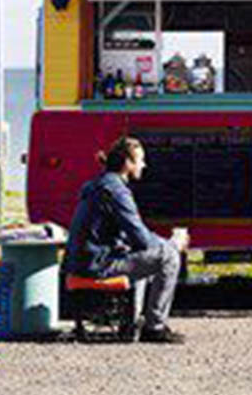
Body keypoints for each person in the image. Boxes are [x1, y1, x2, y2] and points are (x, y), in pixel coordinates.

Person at [65, 134, 189, 343]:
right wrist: (173, 244)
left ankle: (132, 322)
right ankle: (155, 327)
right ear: (127, 163)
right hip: (98, 265)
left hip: (83, 262)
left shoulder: (97, 185)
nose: (144, 165)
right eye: (140, 160)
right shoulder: (116, 191)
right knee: (168, 257)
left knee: (143, 256)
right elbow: (141, 239)